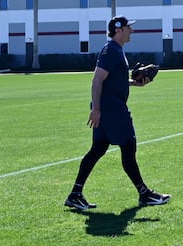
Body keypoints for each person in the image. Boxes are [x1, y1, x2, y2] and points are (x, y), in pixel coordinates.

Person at [64, 15, 170, 212]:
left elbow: (113, 80)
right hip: (112, 110)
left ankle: (75, 194)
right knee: (128, 145)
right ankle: (144, 193)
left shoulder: (116, 50)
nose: (131, 30)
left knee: (98, 149)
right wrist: (95, 109)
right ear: (119, 30)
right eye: (129, 28)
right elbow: (97, 80)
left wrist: (136, 83)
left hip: (109, 108)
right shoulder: (111, 51)